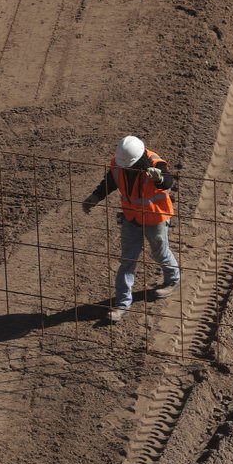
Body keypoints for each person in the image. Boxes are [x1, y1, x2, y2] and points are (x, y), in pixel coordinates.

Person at [82, 135, 179, 323]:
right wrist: (95, 196)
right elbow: (110, 182)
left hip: (155, 218)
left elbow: (168, 182)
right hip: (131, 218)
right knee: (127, 260)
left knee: (159, 252)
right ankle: (122, 304)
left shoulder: (155, 162)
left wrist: (159, 178)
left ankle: (173, 279)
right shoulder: (119, 163)